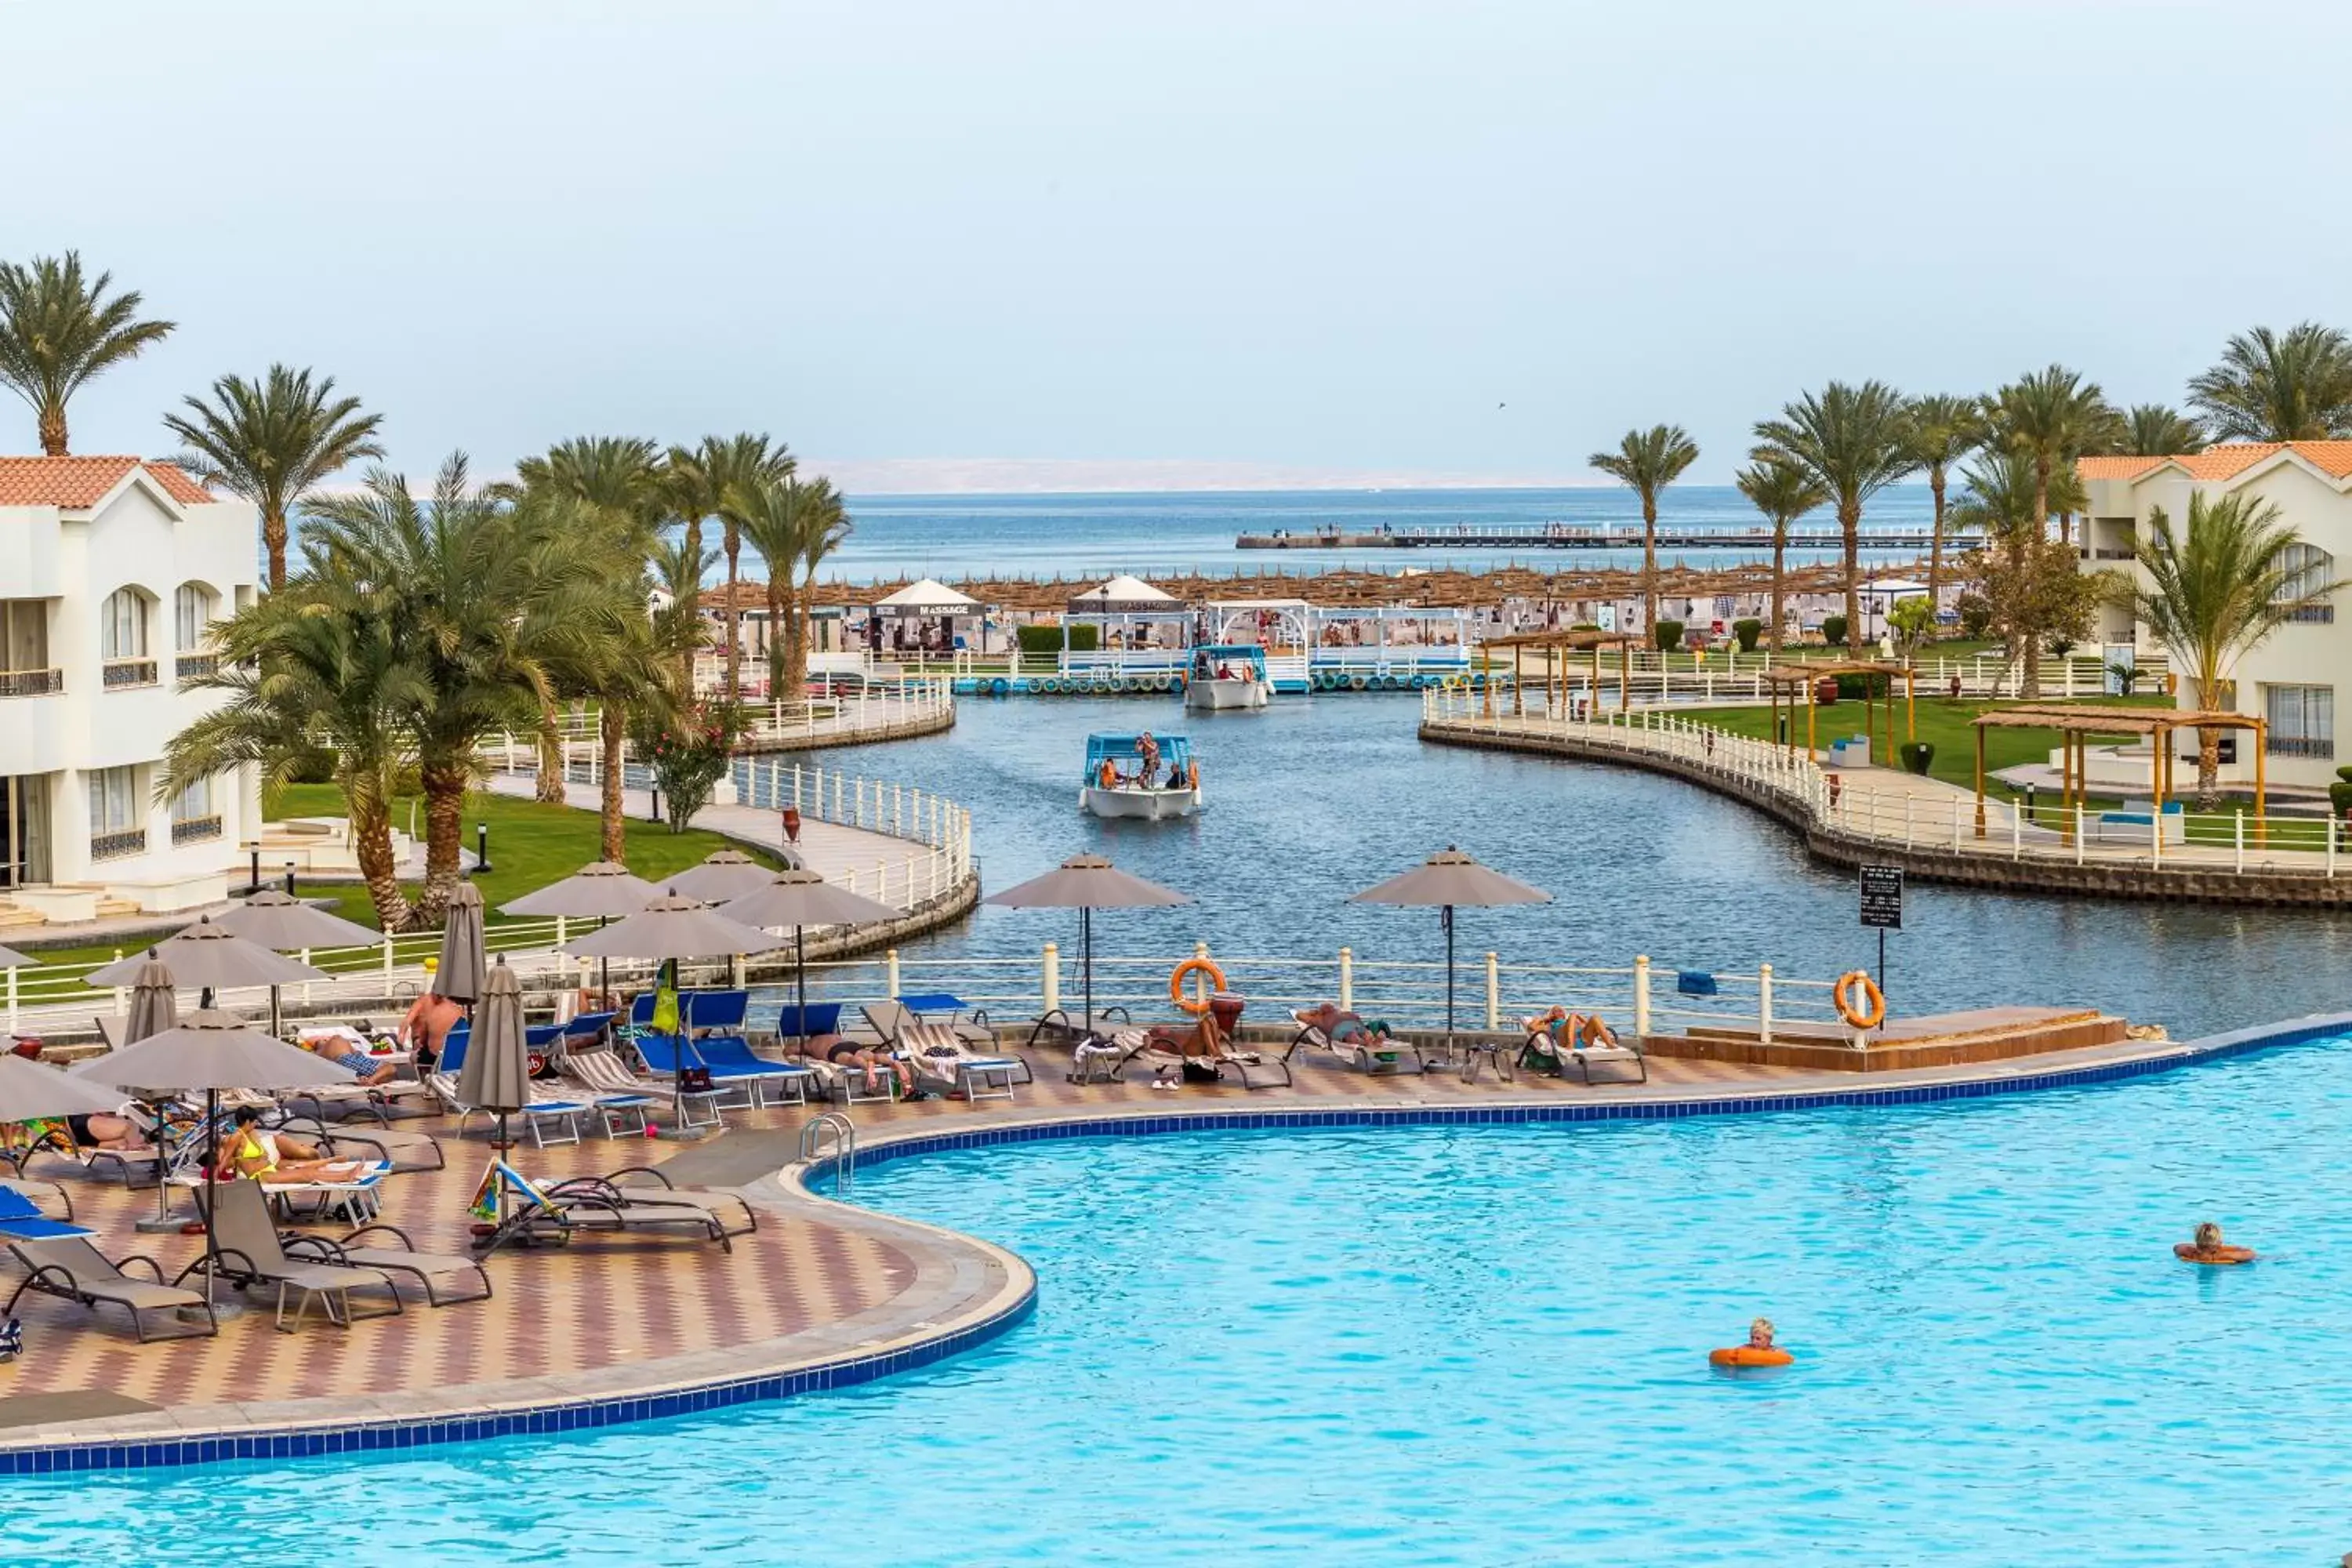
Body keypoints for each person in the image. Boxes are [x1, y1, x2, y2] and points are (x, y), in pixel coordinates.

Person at [220, 1107, 369, 1184]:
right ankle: (345, 1176)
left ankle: (345, 1174)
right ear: (247, 1121)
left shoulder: (252, 1134)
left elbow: (263, 1155)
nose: (257, 1124)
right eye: (254, 1121)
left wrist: (262, 1159)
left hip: (267, 1169)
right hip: (258, 1177)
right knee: (305, 1175)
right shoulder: (235, 1138)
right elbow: (225, 1160)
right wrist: (215, 1179)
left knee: (307, 1170)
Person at [398, 983, 466, 1071]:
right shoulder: (456, 1008)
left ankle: (424, 1079)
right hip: (457, 1056)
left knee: (415, 1055)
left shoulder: (428, 1006)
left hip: (436, 1056)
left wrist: (402, 1035)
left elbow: (409, 1021)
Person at [303, 1029, 403, 1086]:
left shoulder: (317, 1053)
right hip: (345, 1059)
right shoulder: (333, 1041)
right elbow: (391, 1068)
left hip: (343, 1063)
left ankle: (368, 1079)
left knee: (387, 1073)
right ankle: (370, 1081)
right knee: (390, 1068)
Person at [2176, 1221, 2257, 1265]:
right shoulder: (2223, 1255)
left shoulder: (2189, 1253)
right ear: (2218, 1244)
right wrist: (2225, 1248)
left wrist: (2202, 1245)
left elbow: (2177, 1247)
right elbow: (2251, 1254)